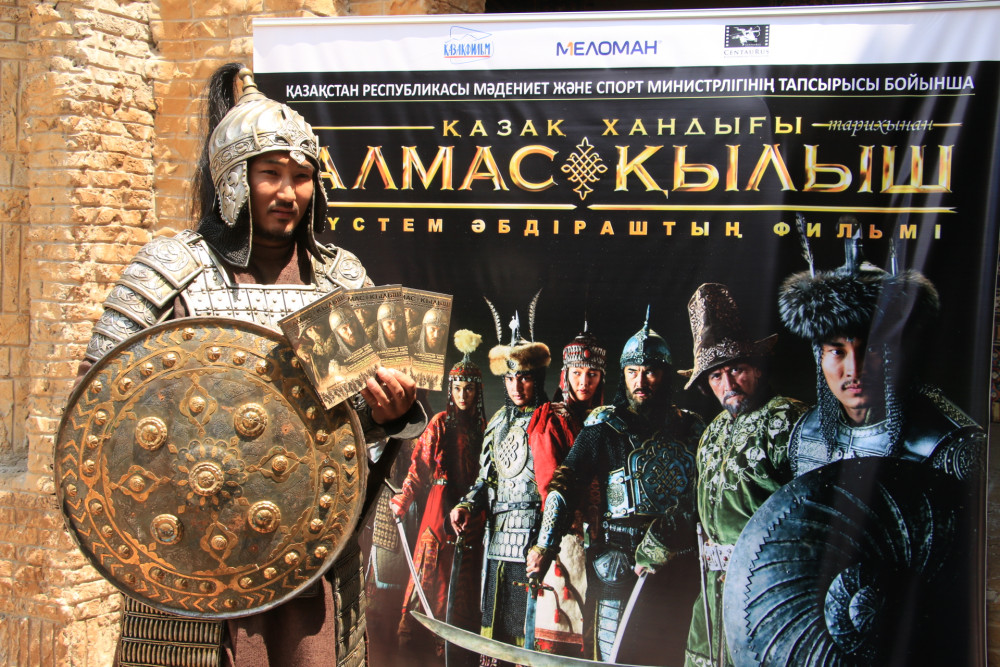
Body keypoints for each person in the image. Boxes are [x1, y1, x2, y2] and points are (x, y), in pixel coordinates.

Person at [77, 63, 425, 667]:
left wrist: (388, 415)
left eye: (302, 176)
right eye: (271, 174)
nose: (288, 193)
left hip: (304, 556)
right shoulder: (170, 271)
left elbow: (353, 436)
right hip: (190, 551)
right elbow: (98, 408)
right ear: (233, 178)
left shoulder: (339, 280)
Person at [527, 310, 704, 666]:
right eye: (632, 371)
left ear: (666, 374)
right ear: (622, 374)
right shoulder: (604, 425)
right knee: (614, 656)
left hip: (678, 565)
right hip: (618, 563)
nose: (641, 381)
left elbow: (702, 494)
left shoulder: (691, 427)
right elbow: (564, 483)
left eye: (650, 371)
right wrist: (545, 544)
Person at [777, 233, 983, 480]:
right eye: (837, 351)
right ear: (819, 356)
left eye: (872, 350)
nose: (854, 370)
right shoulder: (807, 431)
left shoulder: (950, 445)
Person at [676, 284, 807, 667]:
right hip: (712, 592)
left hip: (770, 589)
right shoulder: (712, 432)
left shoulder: (790, 420)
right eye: (716, 376)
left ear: (758, 368)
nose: (728, 385)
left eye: (737, 369)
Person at [449, 310, 576, 661]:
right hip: (497, 539)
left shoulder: (552, 420)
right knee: (494, 630)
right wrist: (466, 505)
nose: (516, 387)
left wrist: (545, 541)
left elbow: (560, 486)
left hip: (535, 538)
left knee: (526, 633)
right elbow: (486, 478)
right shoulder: (496, 422)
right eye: (509, 379)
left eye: (524, 378)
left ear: (537, 378)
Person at [390, 330, 488, 660]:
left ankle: (455, 651)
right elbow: (419, 467)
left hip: (472, 510)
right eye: (457, 388)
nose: (463, 395)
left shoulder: (484, 428)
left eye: (468, 388)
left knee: (464, 579)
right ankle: (414, 647)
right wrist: (404, 499)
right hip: (438, 506)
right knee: (429, 571)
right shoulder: (439, 422)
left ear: (478, 391)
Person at [551, 326, 606, 431]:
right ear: (565, 376)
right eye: (576, 373)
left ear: (601, 378)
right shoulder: (551, 418)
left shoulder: (607, 420)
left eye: (592, 374)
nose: (584, 382)